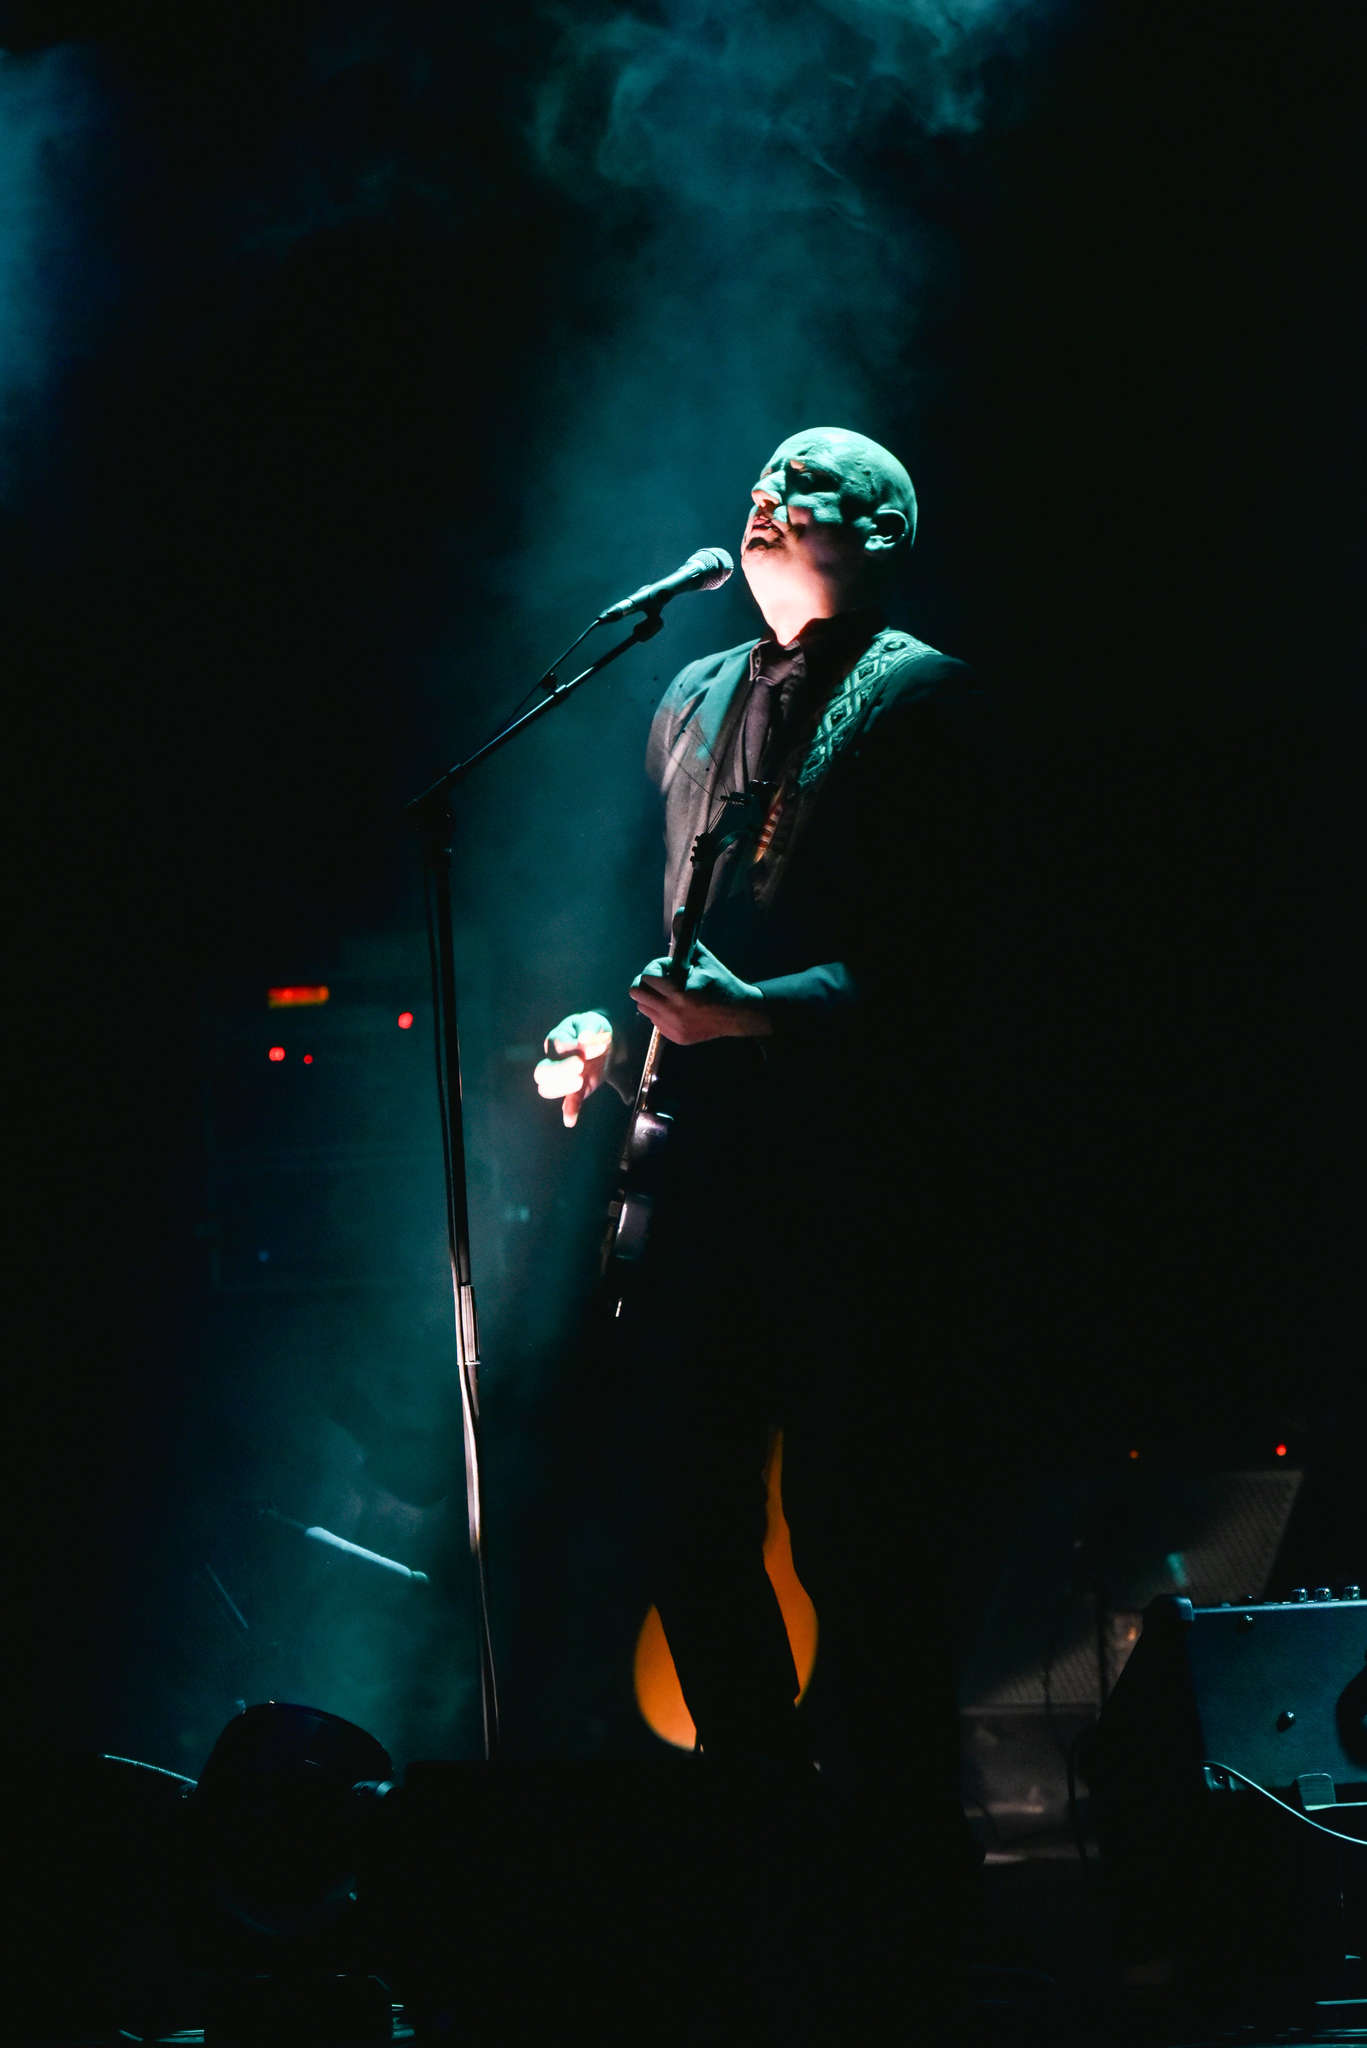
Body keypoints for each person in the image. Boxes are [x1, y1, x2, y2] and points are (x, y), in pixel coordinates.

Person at [534, 427, 990, 2003]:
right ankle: (766, 1841)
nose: (767, 502)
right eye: (763, 485)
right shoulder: (688, 694)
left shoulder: (928, 702)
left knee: (864, 1537)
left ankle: (903, 1898)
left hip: (850, 1187)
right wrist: (604, 1025)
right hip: (689, 1180)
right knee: (682, 1518)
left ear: (879, 533)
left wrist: (767, 1012)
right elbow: (660, 925)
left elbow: (948, 972)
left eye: (807, 492)